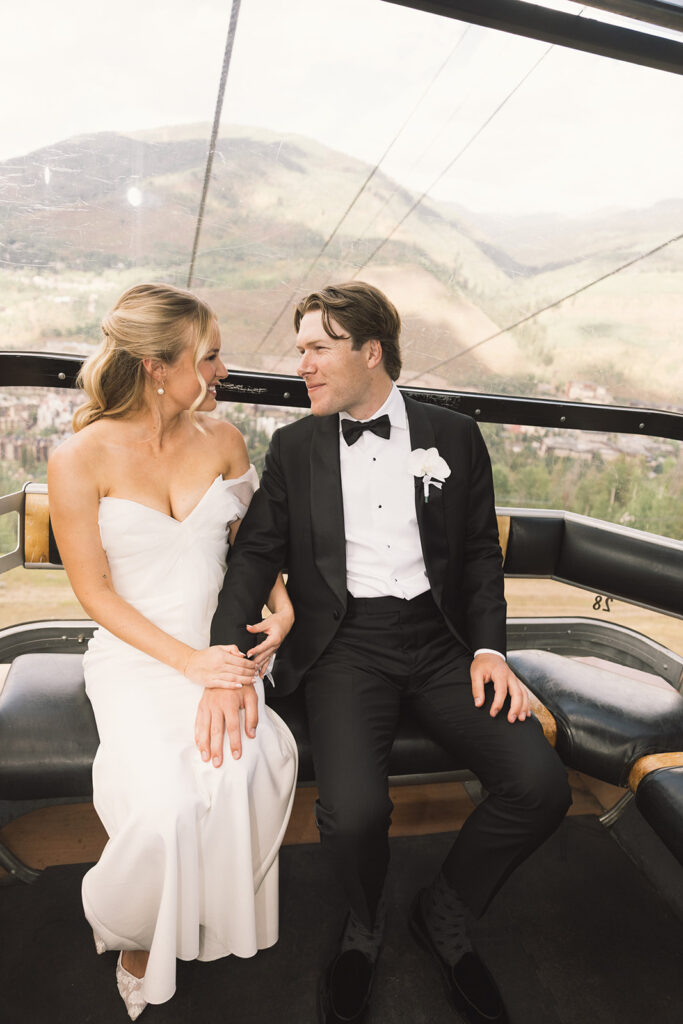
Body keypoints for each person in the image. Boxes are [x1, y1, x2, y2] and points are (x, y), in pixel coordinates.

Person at [203, 280, 572, 1024]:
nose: (300, 362)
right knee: (354, 814)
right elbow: (254, 556)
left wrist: (490, 652)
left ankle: (444, 909)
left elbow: (475, 556)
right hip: (344, 647)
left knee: (539, 785)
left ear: (370, 352)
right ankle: (364, 923)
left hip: (440, 645)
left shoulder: (454, 436)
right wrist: (221, 656)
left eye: (317, 348)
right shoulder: (298, 446)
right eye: (300, 348)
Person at [47, 283, 298, 1021]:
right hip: (137, 656)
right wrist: (185, 664)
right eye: (211, 357)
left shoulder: (222, 441)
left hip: (226, 644)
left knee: (241, 768)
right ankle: (128, 928)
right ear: (160, 365)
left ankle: (189, 914)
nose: (222, 372)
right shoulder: (78, 457)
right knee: (164, 805)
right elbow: (95, 593)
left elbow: (253, 548)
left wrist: (280, 607)